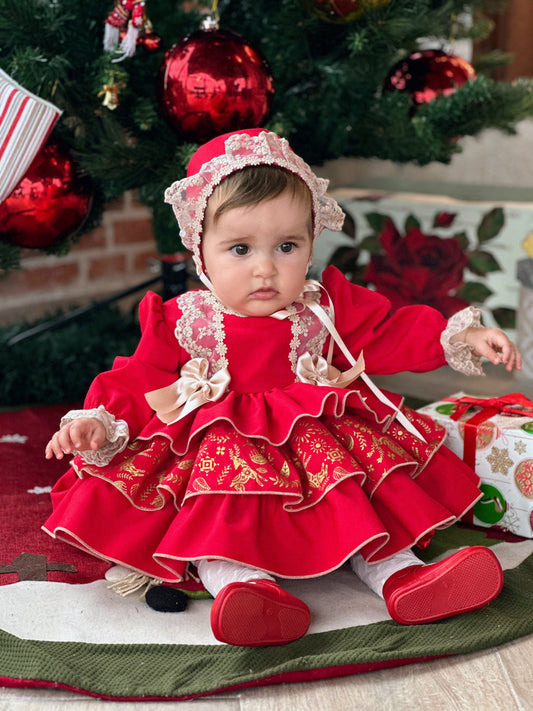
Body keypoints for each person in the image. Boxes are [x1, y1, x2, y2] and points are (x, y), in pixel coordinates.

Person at [44, 128, 522, 648]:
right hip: (221, 445)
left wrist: (466, 334)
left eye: (287, 246)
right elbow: (140, 380)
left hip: (313, 439)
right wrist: (95, 420)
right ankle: (243, 587)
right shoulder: (184, 319)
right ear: (199, 249)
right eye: (241, 248)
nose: (266, 268)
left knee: (358, 494)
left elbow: (386, 333)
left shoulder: (321, 308)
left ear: (312, 241)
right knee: (217, 510)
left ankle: (401, 576)